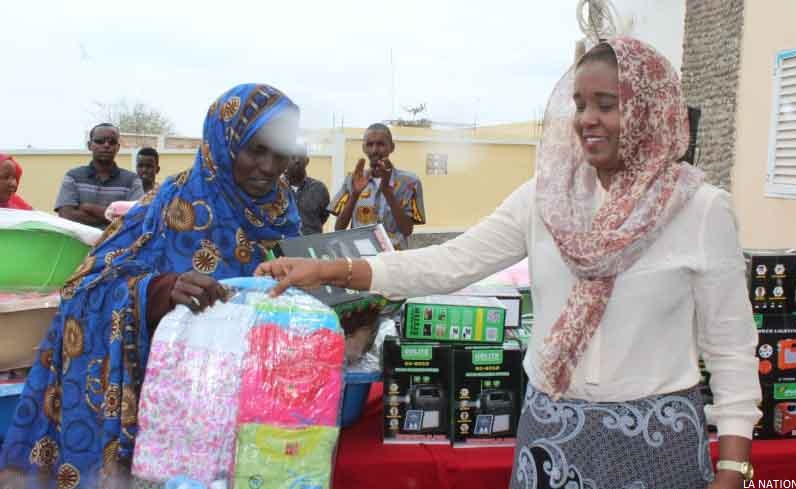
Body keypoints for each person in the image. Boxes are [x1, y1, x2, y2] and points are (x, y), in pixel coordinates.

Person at [256, 38, 760, 489]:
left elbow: (732, 349)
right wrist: (330, 271)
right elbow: (453, 262)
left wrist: (734, 471)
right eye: (581, 104)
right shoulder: (546, 198)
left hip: (659, 440)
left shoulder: (700, 209)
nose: (587, 118)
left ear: (652, 111)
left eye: (607, 105)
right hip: (554, 434)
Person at [0, 83, 302, 488]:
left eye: (279, 152)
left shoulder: (282, 212)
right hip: (168, 419)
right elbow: (84, 290)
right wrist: (158, 290)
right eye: (255, 150)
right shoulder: (171, 205)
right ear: (223, 143)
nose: (268, 167)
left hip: (251, 411)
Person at [328, 123, 425, 249]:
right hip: (362, 258)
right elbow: (339, 227)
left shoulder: (410, 182)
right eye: (369, 144)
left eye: (381, 144)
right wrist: (355, 194)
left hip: (394, 258)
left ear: (392, 147)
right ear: (364, 148)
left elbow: (407, 230)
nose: (374, 150)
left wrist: (387, 192)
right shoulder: (353, 179)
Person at [54, 123, 144, 229]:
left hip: (117, 245)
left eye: (112, 142)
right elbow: (66, 215)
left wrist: (90, 208)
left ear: (118, 147)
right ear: (89, 145)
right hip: (76, 244)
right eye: (99, 141)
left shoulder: (132, 181)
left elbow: (138, 217)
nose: (106, 145)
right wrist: (114, 216)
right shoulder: (73, 177)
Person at [284, 143, 330, 235]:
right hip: (284, 245)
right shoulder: (275, 188)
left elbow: (323, 217)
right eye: (292, 157)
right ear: (284, 161)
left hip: (312, 245)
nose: (297, 160)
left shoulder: (319, 189)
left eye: (300, 156)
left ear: (307, 161)